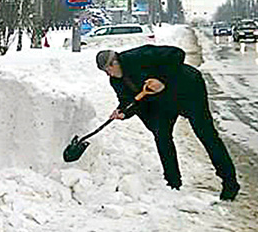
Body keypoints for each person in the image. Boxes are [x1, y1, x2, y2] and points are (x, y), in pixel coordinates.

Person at [96, 45, 240, 201]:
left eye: (108, 69)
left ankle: (230, 182)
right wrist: (123, 111)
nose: (108, 74)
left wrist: (161, 80)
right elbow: (129, 100)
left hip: (188, 90)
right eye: (105, 72)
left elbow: (177, 53)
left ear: (115, 62)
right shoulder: (116, 81)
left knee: (206, 135)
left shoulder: (138, 56)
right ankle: (173, 183)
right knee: (161, 136)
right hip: (162, 102)